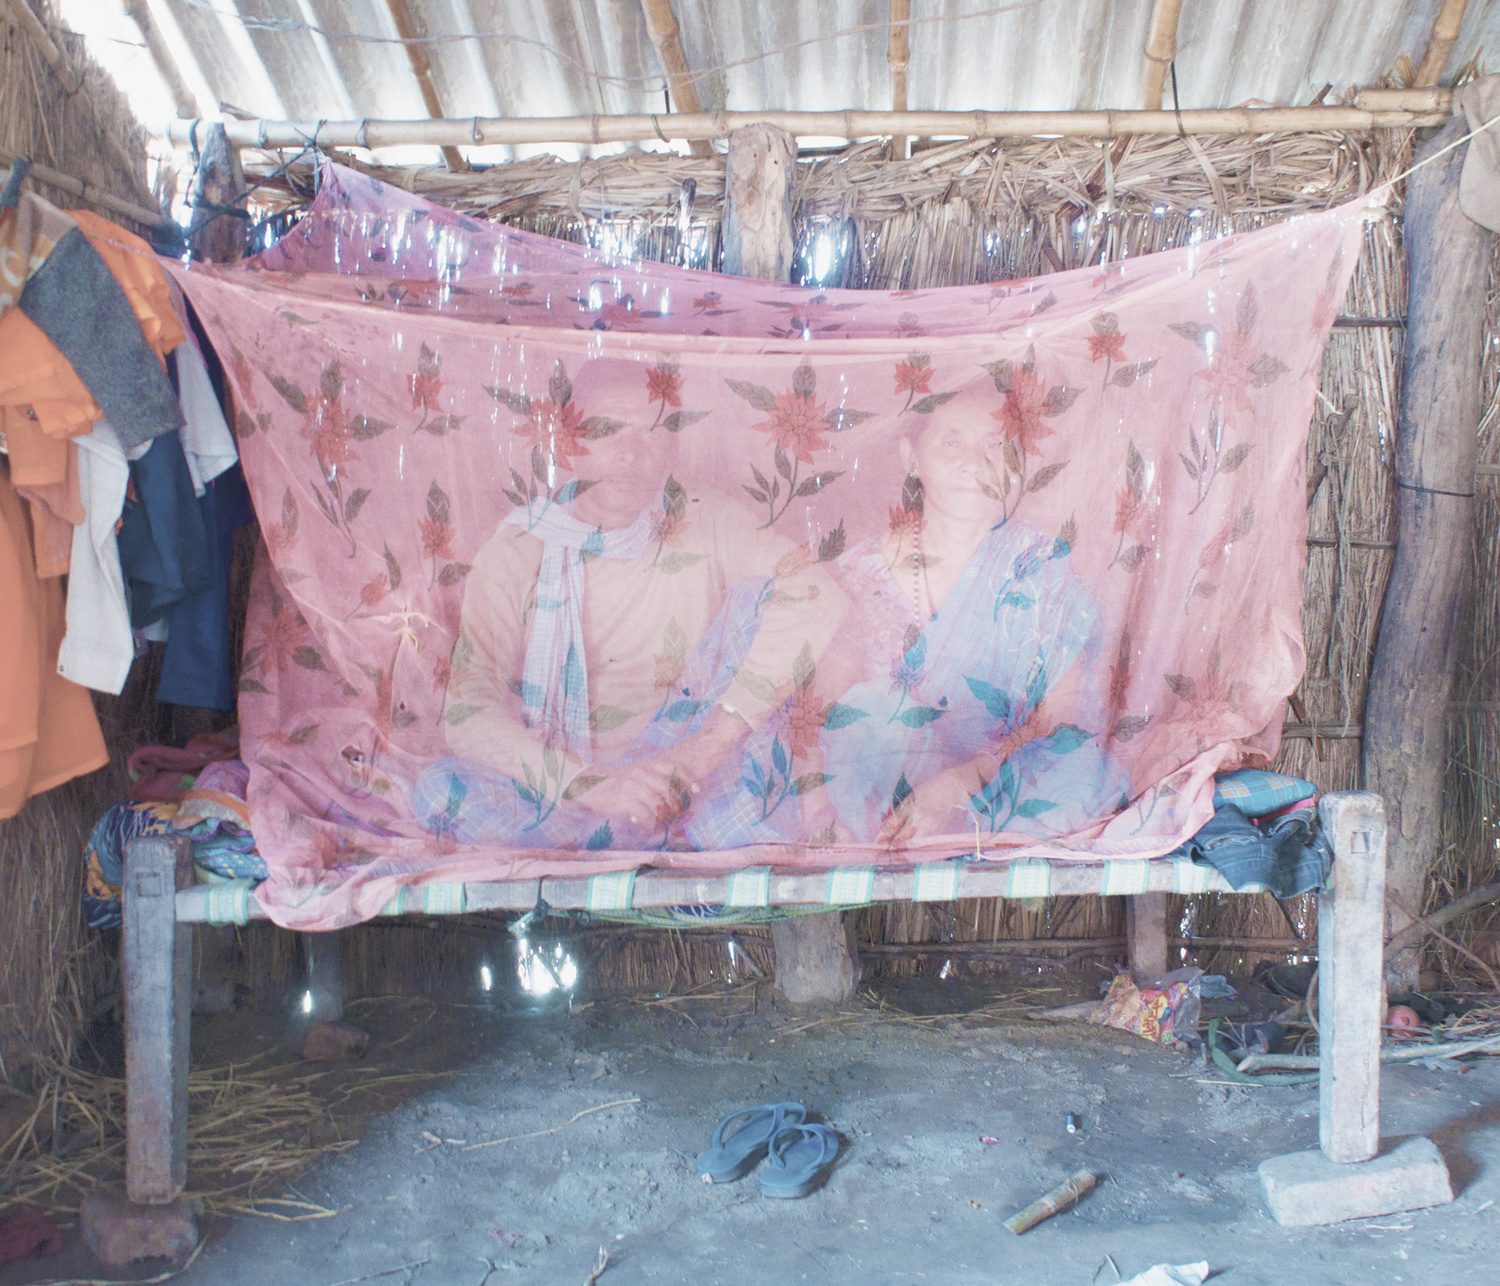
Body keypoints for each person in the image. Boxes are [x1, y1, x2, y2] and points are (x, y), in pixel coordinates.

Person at [416, 359, 846, 852]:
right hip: (568, 792)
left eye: (650, 432)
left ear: (672, 448)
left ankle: (656, 837)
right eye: (606, 430)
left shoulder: (703, 516)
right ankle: (645, 841)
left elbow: (819, 594)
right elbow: (467, 711)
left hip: (687, 779)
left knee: (764, 598)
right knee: (438, 792)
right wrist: (592, 786)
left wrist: (702, 752)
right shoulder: (518, 549)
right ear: (567, 442)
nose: (628, 453)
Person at [817, 384, 1129, 848]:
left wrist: (963, 781)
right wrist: (824, 811)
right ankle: (887, 839)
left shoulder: (1040, 568)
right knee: (874, 711)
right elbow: (821, 715)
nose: (973, 463)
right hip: (883, 791)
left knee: (1075, 776)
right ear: (910, 456)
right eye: (951, 442)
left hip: (1003, 784)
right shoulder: (860, 574)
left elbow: (1061, 721)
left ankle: (973, 842)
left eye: (993, 445)